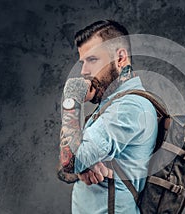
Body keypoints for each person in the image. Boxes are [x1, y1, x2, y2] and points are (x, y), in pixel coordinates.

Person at [58, 20, 158, 214]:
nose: (83, 71)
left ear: (120, 58)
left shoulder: (129, 107)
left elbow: (70, 160)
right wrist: (83, 168)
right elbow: (65, 166)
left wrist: (71, 99)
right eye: (82, 62)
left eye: (92, 60)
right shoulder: (109, 106)